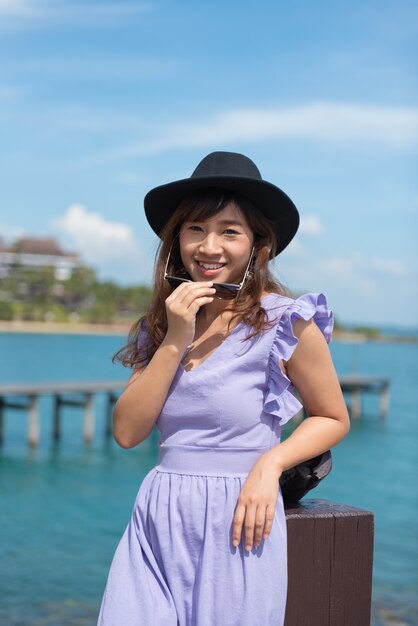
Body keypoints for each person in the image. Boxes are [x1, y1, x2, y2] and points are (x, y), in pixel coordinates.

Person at [97, 151, 350, 626]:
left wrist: (269, 465)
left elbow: (332, 417)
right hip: (157, 517)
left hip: (240, 522)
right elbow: (128, 433)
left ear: (260, 246)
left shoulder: (285, 323)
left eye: (229, 231)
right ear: (176, 240)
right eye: (195, 229)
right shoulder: (162, 324)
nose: (208, 246)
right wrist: (175, 338)